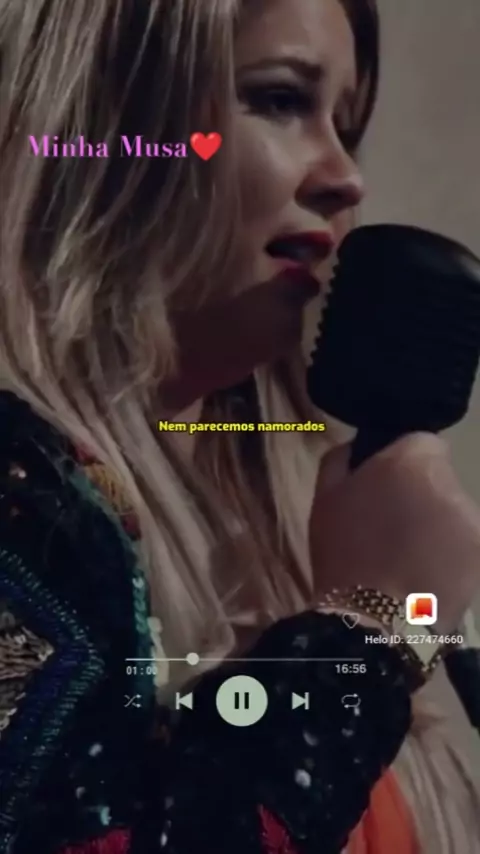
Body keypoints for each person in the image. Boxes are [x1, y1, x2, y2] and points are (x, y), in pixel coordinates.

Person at [0, 1, 479, 852]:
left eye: (346, 125)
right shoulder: (25, 514)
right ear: (102, 128)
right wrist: (372, 629)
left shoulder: (326, 528)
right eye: (282, 99)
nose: (345, 177)